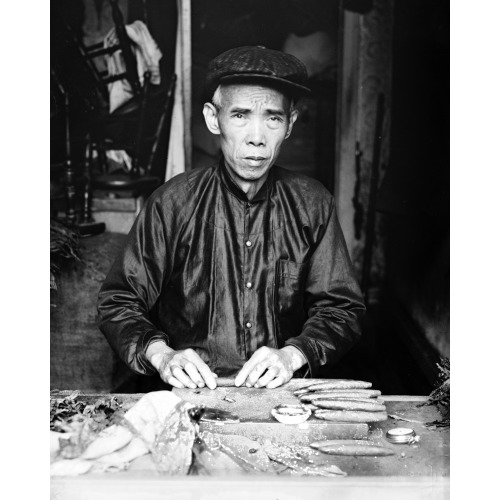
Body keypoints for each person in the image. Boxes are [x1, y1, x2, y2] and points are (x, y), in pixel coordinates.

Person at [97, 45, 365, 391]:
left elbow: (342, 308)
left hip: (282, 395)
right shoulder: (171, 204)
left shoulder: (313, 204)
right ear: (213, 119)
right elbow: (119, 301)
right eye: (239, 115)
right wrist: (162, 355)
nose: (257, 138)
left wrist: (293, 355)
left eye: (273, 118)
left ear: (290, 125)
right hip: (187, 393)